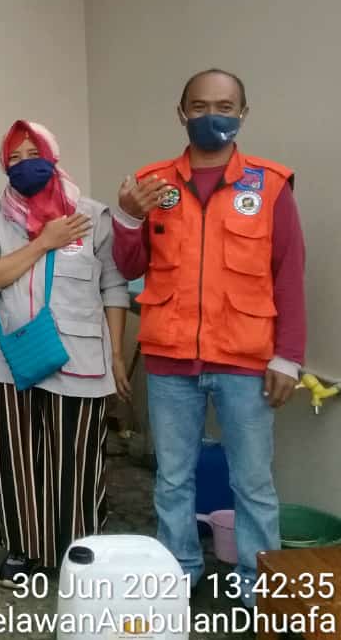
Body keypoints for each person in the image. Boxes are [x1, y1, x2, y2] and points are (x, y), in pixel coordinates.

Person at [112, 68, 306, 606]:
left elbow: (289, 274)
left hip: (246, 358)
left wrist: (288, 356)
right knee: (172, 478)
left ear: (243, 113)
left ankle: (258, 585)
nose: (211, 116)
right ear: (181, 113)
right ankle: (178, 569)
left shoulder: (269, 185)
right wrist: (127, 218)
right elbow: (129, 266)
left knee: (253, 483)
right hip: (170, 357)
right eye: (199, 106)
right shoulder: (151, 183)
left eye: (224, 106)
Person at [0, 120, 131, 586]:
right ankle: (24, 549)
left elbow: (114, 287)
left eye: (33, 154)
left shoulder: (93, 215)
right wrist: (44, 242)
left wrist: (117, 354)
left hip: (81, 358)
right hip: (10, 356)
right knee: (16, 457)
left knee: (77, 458)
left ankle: (77, 548)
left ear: (52, 156)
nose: (24, 164)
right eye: (14, 158)